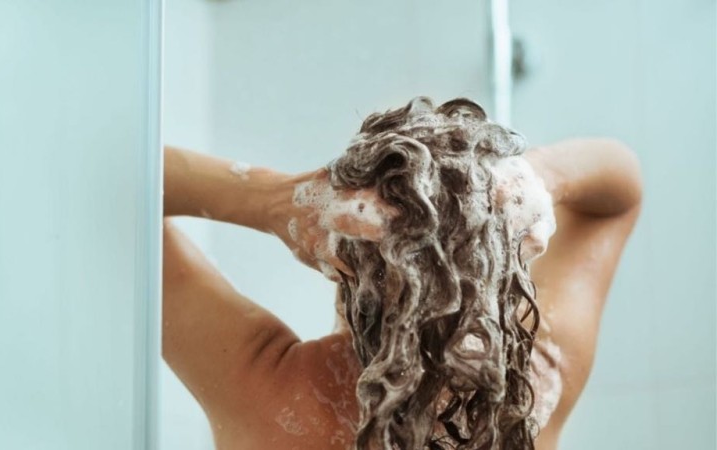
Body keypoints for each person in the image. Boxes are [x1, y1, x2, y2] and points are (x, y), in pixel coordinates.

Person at [161, 131, 642, 449]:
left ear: (339, 256)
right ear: (496, 266)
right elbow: (621, 194)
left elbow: (129, 181)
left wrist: (278, 200)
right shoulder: (534, 386)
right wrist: (537, 176)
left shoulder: (270, 393)